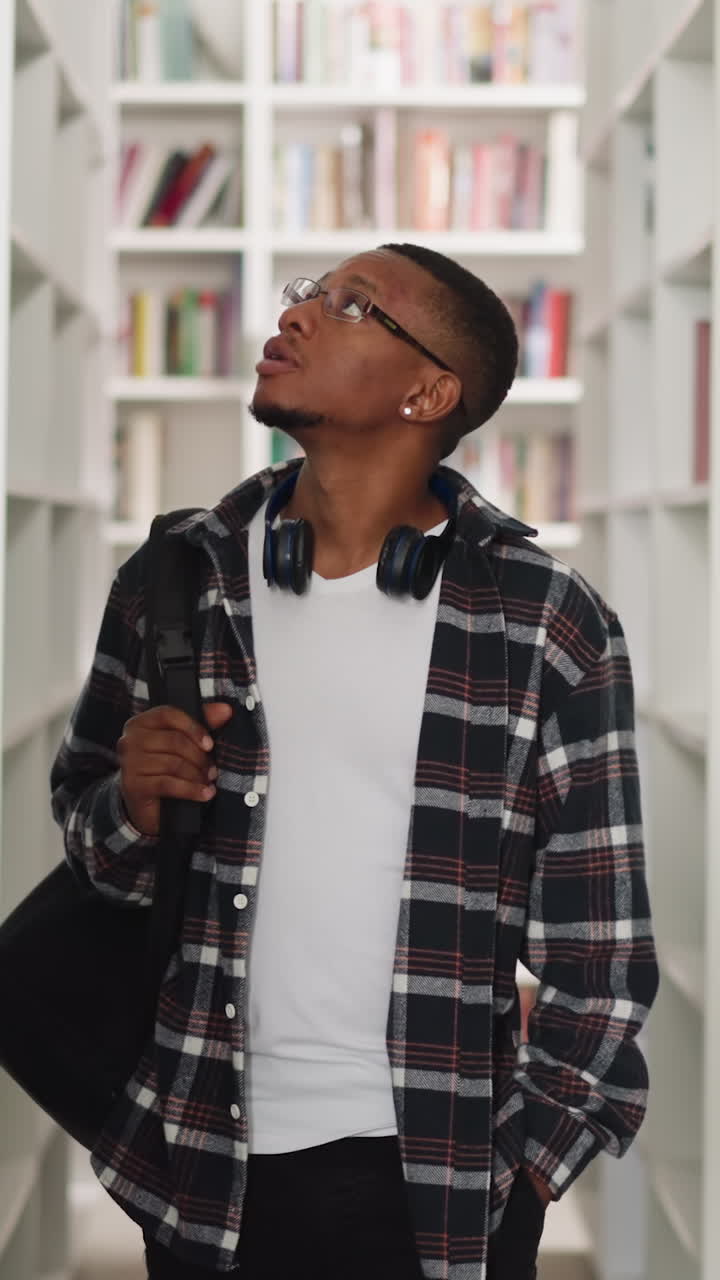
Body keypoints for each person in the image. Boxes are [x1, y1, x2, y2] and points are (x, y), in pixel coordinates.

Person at [50, 243, 660, 1280]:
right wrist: (132, 806)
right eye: (305, 294)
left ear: (429, 390)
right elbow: (93, 845)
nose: (295, 315)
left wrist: (532, 1169)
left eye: (349, 305)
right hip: (197, 1152)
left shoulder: (548, 622)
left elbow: (600, 949)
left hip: (434, 1177)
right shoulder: (175, 577)